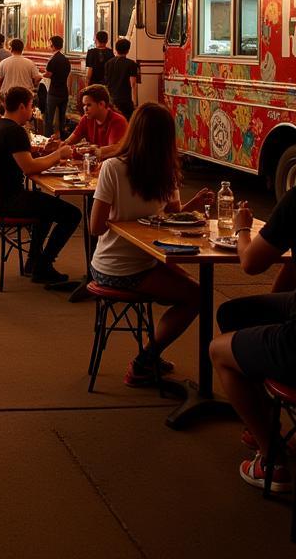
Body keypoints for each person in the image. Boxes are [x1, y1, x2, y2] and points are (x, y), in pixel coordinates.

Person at [210, 103, 296, 492]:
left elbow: (250, 262)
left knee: (218, 350)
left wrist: (241, 228)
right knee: (234, 312)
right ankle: (264, 421)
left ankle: (273, 459)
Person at [89, 103, 208, 385]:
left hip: (112, 262)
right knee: (196, 296)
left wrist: (190, 207)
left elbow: (95, 227)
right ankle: (145, 360)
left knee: (191, 291)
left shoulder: (113, 167)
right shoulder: (165, 169)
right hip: (131, 267)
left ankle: (149, 356)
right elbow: (171, 216)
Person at [0, 86, 82, 285]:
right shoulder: (15, 131)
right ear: (21, 106)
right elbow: (29, 168)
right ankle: (44, 264)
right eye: (31, 106)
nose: (32, 110)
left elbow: (22, 159)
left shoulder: (0, 126)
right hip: (6, 201)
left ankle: (34, 262)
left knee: (45, 209)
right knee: (72, 214)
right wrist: (58, 155)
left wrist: (45, 152)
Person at [59, 84, 129, 161]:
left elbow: (113, 152)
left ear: (101, 104)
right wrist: (58, 145)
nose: (85, 108)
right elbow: (69, 142)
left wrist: (90, 150)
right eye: (84, 105)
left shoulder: (117, 121)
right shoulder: (86, 119)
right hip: (97, 165)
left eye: (89, 105)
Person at [44, 35, 72, 137]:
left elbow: (48, 74)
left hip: (53, 93)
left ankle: (47, 138)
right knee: (62, 117)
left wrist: (41, 75)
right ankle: (63, 137)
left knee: (49, 118)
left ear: (53, 45)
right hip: (64, 92)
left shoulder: (53, 59)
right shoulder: (65, 60)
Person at [104, 38, 139, 120]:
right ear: (128, 50)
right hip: (125, 100)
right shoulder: (131, 64)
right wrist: (134, 102)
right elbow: (133, 84)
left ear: (116, 49)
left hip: (112, 99)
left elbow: (106, 82)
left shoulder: (108, 63)